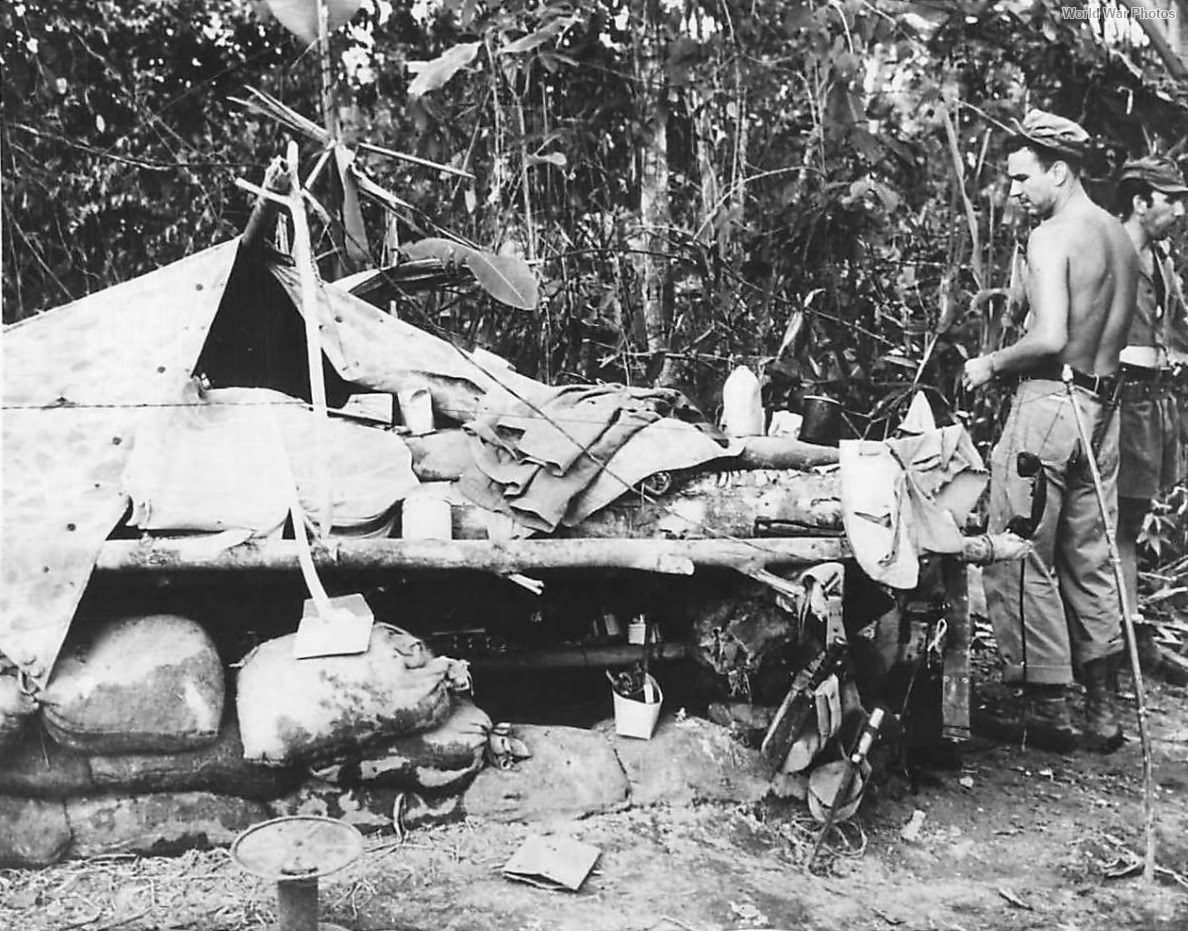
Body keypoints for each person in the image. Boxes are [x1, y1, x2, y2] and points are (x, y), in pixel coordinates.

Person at [962, 110, 1138, 752]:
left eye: (1020, 178)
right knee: (1090, 558)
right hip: (1103, 408)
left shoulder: (1053, 235)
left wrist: (989, 363)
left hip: (1051, 405)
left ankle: (1049, 712)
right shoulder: (1117, 234)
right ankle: (1103, 711)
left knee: (1018, 546)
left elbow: (1051, 338)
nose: (1014, 191)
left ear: (1058, 171)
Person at [1114, 156, 1188, 686]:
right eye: (1170, 199)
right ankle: (1115, 639)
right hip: (1117, 401)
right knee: (1109, 524)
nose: (1179, 209)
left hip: (1151, 405)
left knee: (1130, 523)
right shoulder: (1111, 252)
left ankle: (1129, 630)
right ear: (1140, 202)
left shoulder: (1159, 259)